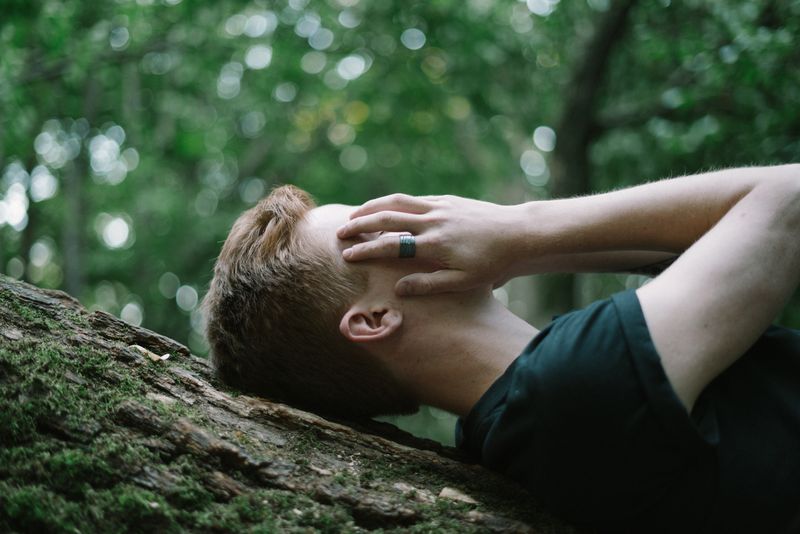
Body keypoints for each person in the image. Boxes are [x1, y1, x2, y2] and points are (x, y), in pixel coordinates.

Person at [203, 165, 800, 533]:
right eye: (372, 231)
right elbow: (787, 201)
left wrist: (518, 245)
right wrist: (522, 226)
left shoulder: (517, 427)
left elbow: (720, 240)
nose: (410, 217)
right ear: (375, 319)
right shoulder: (573, 384)